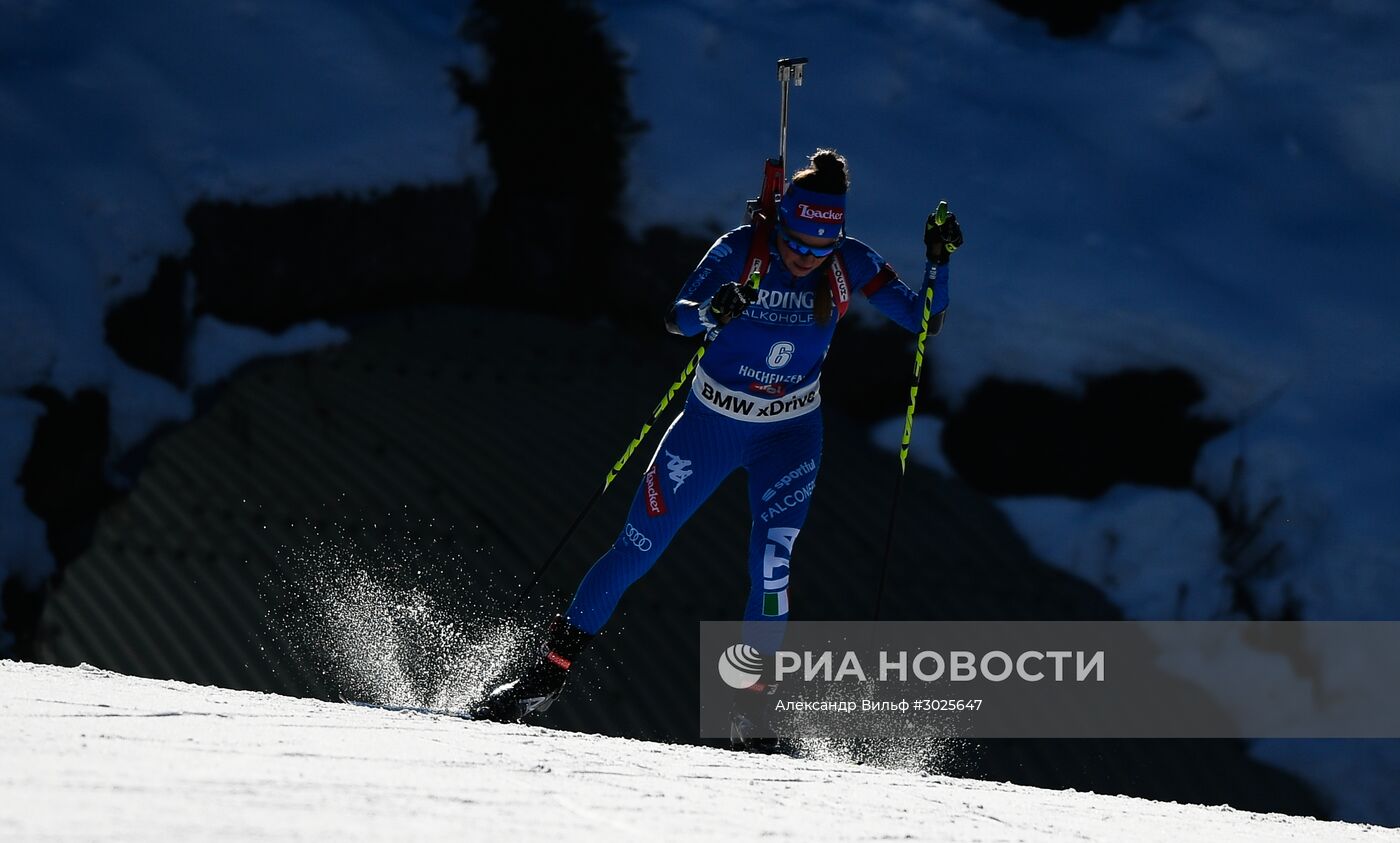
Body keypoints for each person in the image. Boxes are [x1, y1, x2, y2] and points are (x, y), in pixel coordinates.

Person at [473, 149, 964, 735]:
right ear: (781, 224)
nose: (806, 259)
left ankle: (751, 706)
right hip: (711, 426)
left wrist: (939, 262)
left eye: (819, 248)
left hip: (790, 434)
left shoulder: (848, 262)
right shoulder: (742, 249)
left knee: (772, 566)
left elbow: (922, 318)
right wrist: (711, 310)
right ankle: (544, 678)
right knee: (636, 549)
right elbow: (675, 318)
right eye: (797, 244)